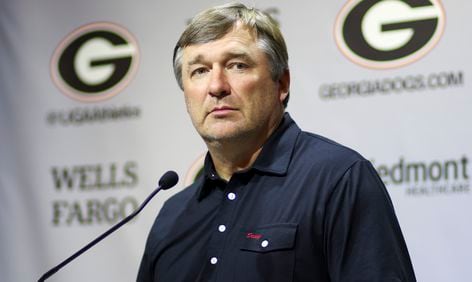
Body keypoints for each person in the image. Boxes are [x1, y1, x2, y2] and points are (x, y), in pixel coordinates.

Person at [138, 3, 416, 281]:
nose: (216, 86)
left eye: (237, 65)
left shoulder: (338, 179)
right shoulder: (172, 216)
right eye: (199, 70)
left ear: (281, 84)